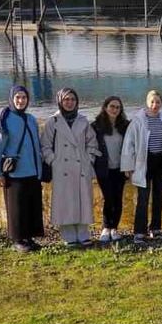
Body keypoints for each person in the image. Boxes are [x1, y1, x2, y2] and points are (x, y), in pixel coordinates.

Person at [40, 87, 100, 246]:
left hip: (81, 167)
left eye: (72, 99)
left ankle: (83, 234)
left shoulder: (83, 121)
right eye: (66, 99)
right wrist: (54, 161)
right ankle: (68, 236)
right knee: (65, 202)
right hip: (62, 169)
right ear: (60, 101)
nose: (69, 102)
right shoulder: (53, 122)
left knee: (82, 200)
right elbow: (45, 145)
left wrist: (89, 159)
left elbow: (92, 143)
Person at [0, 84, 45, 252]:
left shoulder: (31, 119)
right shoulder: (5, 119)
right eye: (18, 98)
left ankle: (29, 237)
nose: (21, 101)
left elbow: (37, 145)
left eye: (24, 98)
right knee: (16, 208)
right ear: (12, 99)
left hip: (33, 171)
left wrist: (40, 170)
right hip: (14, 173)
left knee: (31, 206)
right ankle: (18, 240)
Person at [121, 89, 162, 244]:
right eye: (152, 101)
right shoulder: (138, 120)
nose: (155, 105)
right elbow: (129, 144)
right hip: (144, 162)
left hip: (161, 163)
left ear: (161, 103)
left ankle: (156, 228)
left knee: (159, 197)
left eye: (158, 102)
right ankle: (139, 231)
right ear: (147, 102)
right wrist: (127, 167)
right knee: (143, 198)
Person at [91, 96, 129, 243]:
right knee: (108, 197)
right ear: (105, 107)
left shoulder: (125, 125)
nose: (114, 110)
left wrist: (129, 167)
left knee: (118, 197)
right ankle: (106, 227)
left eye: (118, 107)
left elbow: (130, 145)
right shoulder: (96, 126)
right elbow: (91, 146)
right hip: (103, 168)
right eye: (112, 106)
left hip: (120, 168)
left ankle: (114, 228)